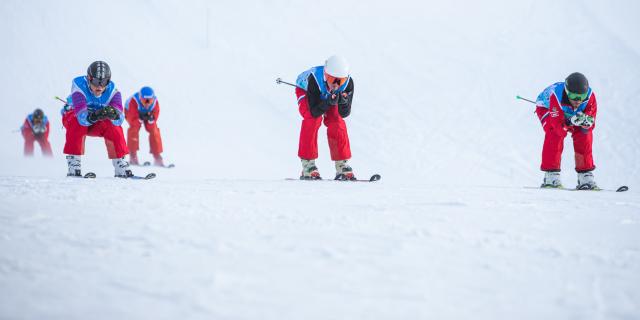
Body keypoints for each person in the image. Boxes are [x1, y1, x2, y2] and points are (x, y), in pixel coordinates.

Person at [63, 61, 134, 178]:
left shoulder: (113, 91)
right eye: (96, 82)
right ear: (89, 79)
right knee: (75, 120)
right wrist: (96, 115)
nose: (100, 86)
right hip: (75, 119)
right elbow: (81, 118)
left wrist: (114, 115)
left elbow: (120, 120)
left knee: (113, 125)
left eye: (104, 82)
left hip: (96, 123)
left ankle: (120, 164)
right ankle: (74, 165)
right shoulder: (79, 86)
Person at [294, 55, 355, 180]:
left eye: (340, 81)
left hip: (327, 98)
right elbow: (314, 111)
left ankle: (341, 165)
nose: (336, 84)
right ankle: (308, 165)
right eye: (332, 79)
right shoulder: (315, 79)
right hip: (306, 91)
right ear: (326, 75)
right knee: (312, 120)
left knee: (337, 121)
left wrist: (343, 102)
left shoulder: (348, 84)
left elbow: (345, 114)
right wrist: (327, 102)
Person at [535, 72, 598, 189]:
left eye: (582, 97)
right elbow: (557, 126)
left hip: (569, 113)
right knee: (554, 133)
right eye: (574, 96)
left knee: (584, 135)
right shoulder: (557, 95)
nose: (578, 100)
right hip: (548, 108)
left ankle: (585, 175)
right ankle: (551, 175)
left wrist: (586, 123)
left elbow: (590, 121)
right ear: (567, 92)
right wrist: (569, 122)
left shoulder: (590, 96)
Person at [124, 86, 165, 166]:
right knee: (133, 129)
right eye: (144, 100)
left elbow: (151, 125)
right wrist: (139, 119)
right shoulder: (133, 102)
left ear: (153, 99)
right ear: (140, 98)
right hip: (131, 112)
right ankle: (133, 156)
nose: (147, 103)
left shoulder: (155, 104)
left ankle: (157, 157)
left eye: (149, 101)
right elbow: (132, 121)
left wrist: (151, 120)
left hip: (146, 114)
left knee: (154, 130)